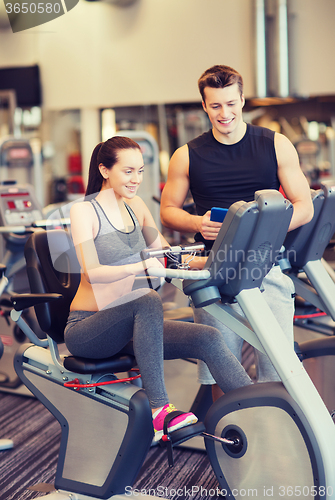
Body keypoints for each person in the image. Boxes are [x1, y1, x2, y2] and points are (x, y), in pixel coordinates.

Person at [64, 136, 253, 441]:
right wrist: (140, 266)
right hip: (89, 329)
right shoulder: (84, 211)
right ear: (104, 170)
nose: (136, 179)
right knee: (147, 298)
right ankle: (159, 412)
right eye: (128, 171)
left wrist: (222, 259)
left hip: (133, 325)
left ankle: (259, 410)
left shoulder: (136, 206)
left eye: (140, 171)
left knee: (208, 337)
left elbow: (166, 255)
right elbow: (92, 272)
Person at [160, 65, 314, 399]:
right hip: (215, 269)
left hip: (265, 266)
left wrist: (262, 229)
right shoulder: (186, 155)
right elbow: (168, 211)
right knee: (222, 368)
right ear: (204, 106)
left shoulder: (276, 144)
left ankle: (274, 434)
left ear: (242, 99)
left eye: (231, 103)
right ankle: (229, 440)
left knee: (278, 365)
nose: (224, 113)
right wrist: (197, 222)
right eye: (215, 106)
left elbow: (304, 205)